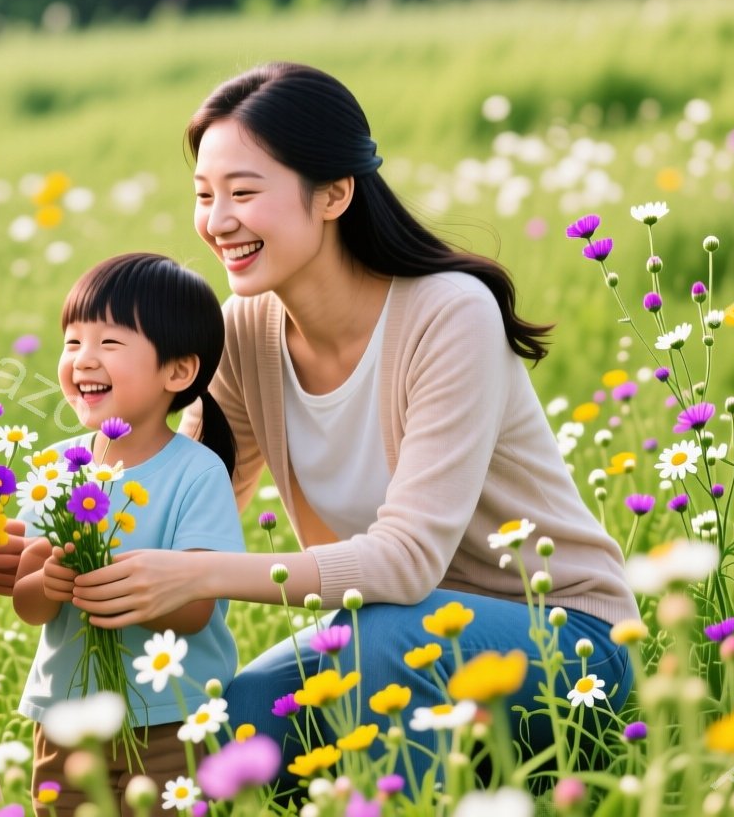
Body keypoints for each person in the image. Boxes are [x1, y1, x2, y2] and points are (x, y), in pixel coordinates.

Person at [67, 63, 639, 788]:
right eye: (204, 196)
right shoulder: (244, 331)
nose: (217, 221)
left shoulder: (448, 312)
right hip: (384, 639)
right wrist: (58, 543)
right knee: (233, 720)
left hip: (565, 645)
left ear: (334, 192)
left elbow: (406, 565)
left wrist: (198, 573)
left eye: (244, 192)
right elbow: (180, 498)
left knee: (391, 640)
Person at [12, 253, 246, 813]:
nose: (83, 360)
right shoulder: (57, 469)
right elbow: (28, 605)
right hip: (66, 715)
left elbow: (197, 610)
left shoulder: (196, 471)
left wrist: (119, 579)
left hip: (172, 716)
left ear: (178, 372)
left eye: (110, 344)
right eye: (72, 342)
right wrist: (50, 576)